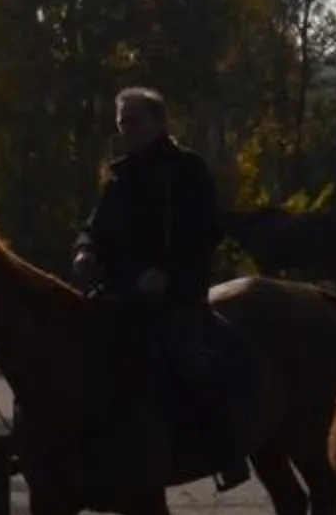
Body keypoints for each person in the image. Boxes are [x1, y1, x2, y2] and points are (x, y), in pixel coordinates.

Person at [72, 87, 252, 491]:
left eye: (134, 119)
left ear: (159, 121)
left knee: (186, 361)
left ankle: (228, 450)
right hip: (118, 296)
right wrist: (84, 251)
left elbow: (206, 230)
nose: (126, 128)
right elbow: (92, 226)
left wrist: (167, 273)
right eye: (122, 121)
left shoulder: (187, 170)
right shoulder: (117, 175)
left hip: (176, 297)